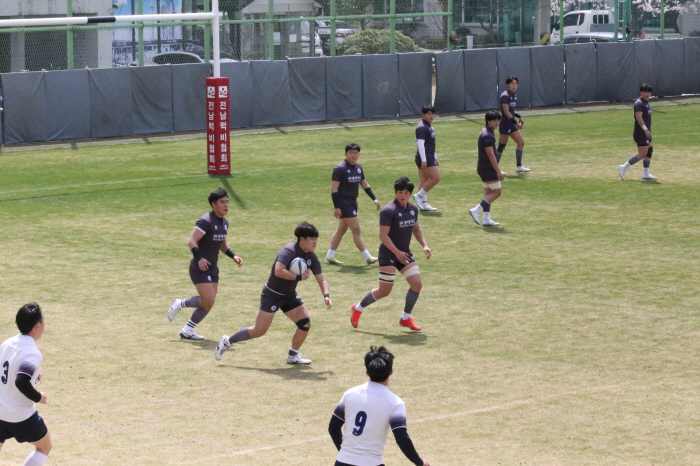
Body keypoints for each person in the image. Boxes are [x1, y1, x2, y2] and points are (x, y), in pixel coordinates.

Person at [215, 221, 332, 364]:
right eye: (312, 239)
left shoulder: (311, 257)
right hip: (272, 294)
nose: (315, 242)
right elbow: (278, 271)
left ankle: (292, 356)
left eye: (316, 239)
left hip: (289, 295)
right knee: (259, 331)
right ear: (302, 239)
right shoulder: (289, 251)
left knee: (305, 324)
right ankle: (227, 341)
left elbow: (321, 279)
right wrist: (299, 277)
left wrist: (326, 295)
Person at [350, 177, 432, 331]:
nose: (403, 195)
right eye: (400, 192)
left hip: (404, 254)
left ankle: (405, 318)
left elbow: (416, 229)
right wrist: (397, 252)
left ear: (410, 194)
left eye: (406, 193)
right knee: (384, 291)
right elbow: (383, 236)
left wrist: (425, 245)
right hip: (388, 255)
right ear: (395, 193)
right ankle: (358, 308)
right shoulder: (388, 211)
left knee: (417, 284)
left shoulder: (413, 210)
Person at [328, 346, 430, 466]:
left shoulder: (350, 394)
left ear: (367, 372)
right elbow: (402, 438)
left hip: (342, 462)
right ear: (391, 372)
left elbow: (333, 428)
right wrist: (419, 462)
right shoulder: (395, 403)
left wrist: (346, 454)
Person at [167, 188, 243, 340]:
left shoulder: (224, 223)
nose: (226, 205)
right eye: (222, 202)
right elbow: (191, 241)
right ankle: (180, 304)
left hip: (213, 267)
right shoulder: (205, 221)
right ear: (213, 205)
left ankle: (188, 330)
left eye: (227, 202)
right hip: (199, 267)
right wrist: (200, 258)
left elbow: (222, 244)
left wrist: (233, 256)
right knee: (208, 299)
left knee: (209, 303)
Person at [0, 303, 52, 466]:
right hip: (20, 415)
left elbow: (9, 370)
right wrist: (39, 397)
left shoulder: (7, 343)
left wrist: (34, 377)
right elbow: (21, 381)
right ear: (37, 326)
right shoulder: (31, 352)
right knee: (44, 448)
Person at [325, 143, 381, 266]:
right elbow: (334, 189)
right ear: (345, 154)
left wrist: (374, 198)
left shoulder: (358, 168)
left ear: (359, 154)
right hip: (344, 203)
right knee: (356, 230)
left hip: (353, 202)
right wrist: (337, 207)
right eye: (351, 153)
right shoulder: (340, 169)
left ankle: (329, 256)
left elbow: (364, 184)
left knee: (341, 230)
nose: (353, 155)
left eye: (356, 153)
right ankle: (367, 257)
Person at [469, 111, 504, 226]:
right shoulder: (488, 135)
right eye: (494, 120)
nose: (497, 122)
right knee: (497, 192)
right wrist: (498, 171)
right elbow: (491, 154)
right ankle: (476, 210)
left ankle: (486, 219)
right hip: (488, 168)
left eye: (498, 120)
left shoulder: (486, 131)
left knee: (488, 193)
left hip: (483, 167)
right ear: (488, 121)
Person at [618, 83, 657, 180]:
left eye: (648, 92)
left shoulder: (646, 102)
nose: (647, 94)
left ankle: (646, 173)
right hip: (641, 133)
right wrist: (645, 130)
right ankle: (624, 167)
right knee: (642, 154)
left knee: (649, 151)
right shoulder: (639, 103)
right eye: (645, 92)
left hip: (646, 132)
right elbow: (638, 117)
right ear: (641, 92)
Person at [497, 75, 530, 174]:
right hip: (505, 125)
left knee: (521, 143)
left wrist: (519, 116)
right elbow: (506, 111)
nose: (514, 85)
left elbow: (511, 110)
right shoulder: (505, 96)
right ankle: (494, 169)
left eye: (516, 83)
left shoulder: (513, 95)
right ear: (508, 84)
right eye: (512, 83)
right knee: (501, 147)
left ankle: (519, 166)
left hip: (511, 125)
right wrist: (516, 123)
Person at [412, 106, 440, 211]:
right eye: (428, 114)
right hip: (425, 157)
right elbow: (420, 144)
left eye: (432, 114)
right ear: (423, 115)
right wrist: (424, 160)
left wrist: (435, 157)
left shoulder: (428, 126)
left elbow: (431, 144)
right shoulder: (422, 127)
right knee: (436, 178)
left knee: (424, 180)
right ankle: (418, 196)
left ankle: (424, 204)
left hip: (429, 156)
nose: (431, 116)